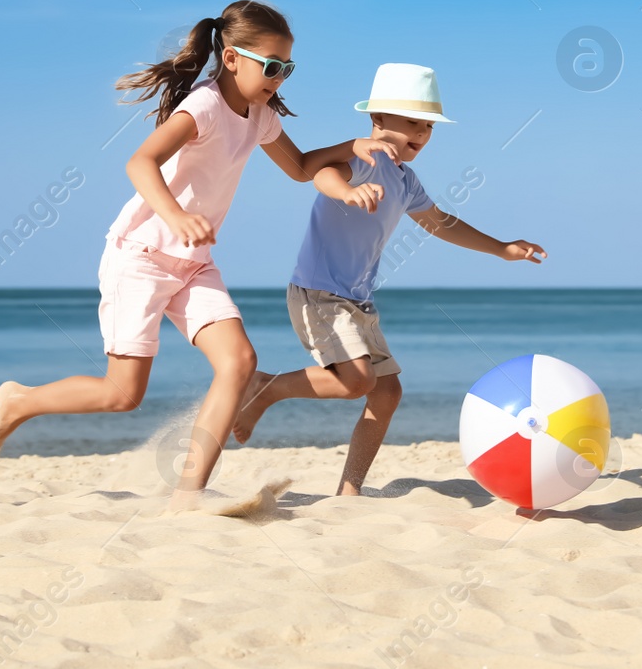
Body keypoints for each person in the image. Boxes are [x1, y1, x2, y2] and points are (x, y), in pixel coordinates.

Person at [0, 0, 395, 503]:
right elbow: (140, 162)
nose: (280, 78)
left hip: (193, 265)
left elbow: (301, 167)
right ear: (232, 58)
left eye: (288, 68)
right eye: (272, 66)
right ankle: (18, 400)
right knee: (122, 394)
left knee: (238, 363)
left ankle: (189, 493)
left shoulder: (259, 115)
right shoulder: (204, 106)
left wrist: (352, 145)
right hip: (141, 257)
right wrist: (176, 216)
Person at [234, 63, 546, 495]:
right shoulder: (366, 157)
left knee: (387, 392)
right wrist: (346, 192)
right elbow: (323, 172)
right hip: (319, 293)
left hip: (356, 301)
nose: (422, 133)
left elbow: (439, 222)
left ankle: (349, 489)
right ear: (378, 119)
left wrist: (502, 248)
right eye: (413, 123)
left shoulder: (405, 178)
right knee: (356, 381)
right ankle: (265, 387)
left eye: (429, 126)